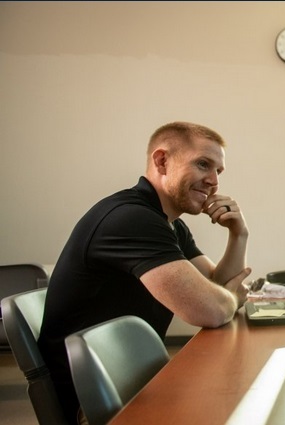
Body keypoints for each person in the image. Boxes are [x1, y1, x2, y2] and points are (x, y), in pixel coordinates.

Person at [38, 121, 253, 423]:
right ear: (162, 161)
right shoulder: (131, 218)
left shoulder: (170, 224)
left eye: (219, 171)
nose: (213, 181)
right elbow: (212, 309)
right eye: (203, 164)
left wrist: (238, 234)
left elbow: (215, 283)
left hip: (129, 381)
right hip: (97, 402)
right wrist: (229, 298)